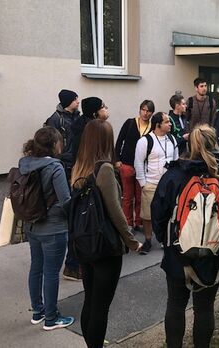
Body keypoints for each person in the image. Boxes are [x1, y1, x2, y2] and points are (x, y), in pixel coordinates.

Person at [151, 125, 219, 348]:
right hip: (215, 256)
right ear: (215, 143)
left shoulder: (174, 175)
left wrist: (168, 241)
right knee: (204, 307)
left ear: (190, 145)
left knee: (176, 305)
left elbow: (157, 213)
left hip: (178, 255)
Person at [71, 119, 142, 347]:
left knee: (90, 300)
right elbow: (116, 212)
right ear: (105, 141)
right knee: (101, 306)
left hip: (85, 242)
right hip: (105, 245)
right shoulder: (105, 169)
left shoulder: (79, 166)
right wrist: (132, 242)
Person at [19, 127, 74, 330]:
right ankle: (51, 318)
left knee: (36, 268)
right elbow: (66, 200)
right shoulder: (55, 167)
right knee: (51, 272)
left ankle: (38, 311)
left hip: (32, 226)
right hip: (54, 228)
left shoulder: (26, 164)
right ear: (54, 145)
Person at [44, 89, 81, 280]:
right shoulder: (56, 120)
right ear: (69, 101)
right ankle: (71, 265)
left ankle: (74, 263)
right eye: (76, 99)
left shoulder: (77, 117)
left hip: (74, 167)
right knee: (71, 215)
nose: (78, 101)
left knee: (74, 217)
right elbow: (54, 147)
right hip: (65, 169)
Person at [134, 112, 179, 254]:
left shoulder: (172, 139)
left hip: (169, 185)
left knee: (169, 213)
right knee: (147, 215)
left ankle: (163, 239)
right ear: (158, 124)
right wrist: (143, 183)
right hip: (151, 183)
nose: (170, 124)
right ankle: (148, 239)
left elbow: (176, 161)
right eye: (167, 122)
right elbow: (138, 163)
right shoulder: (145, 141)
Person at [114, 100, 155, 233]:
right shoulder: (130, 122)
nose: (145, 113)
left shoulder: (152, 127)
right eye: (143, 109)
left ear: (152, 113)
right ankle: (128, 223)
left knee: (140, 196)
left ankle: (139, 221)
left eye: (148, 111)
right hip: (127, 163)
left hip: (143, 166)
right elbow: (120, 140)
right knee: (127, 196)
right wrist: (117, 159)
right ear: (139, 110)